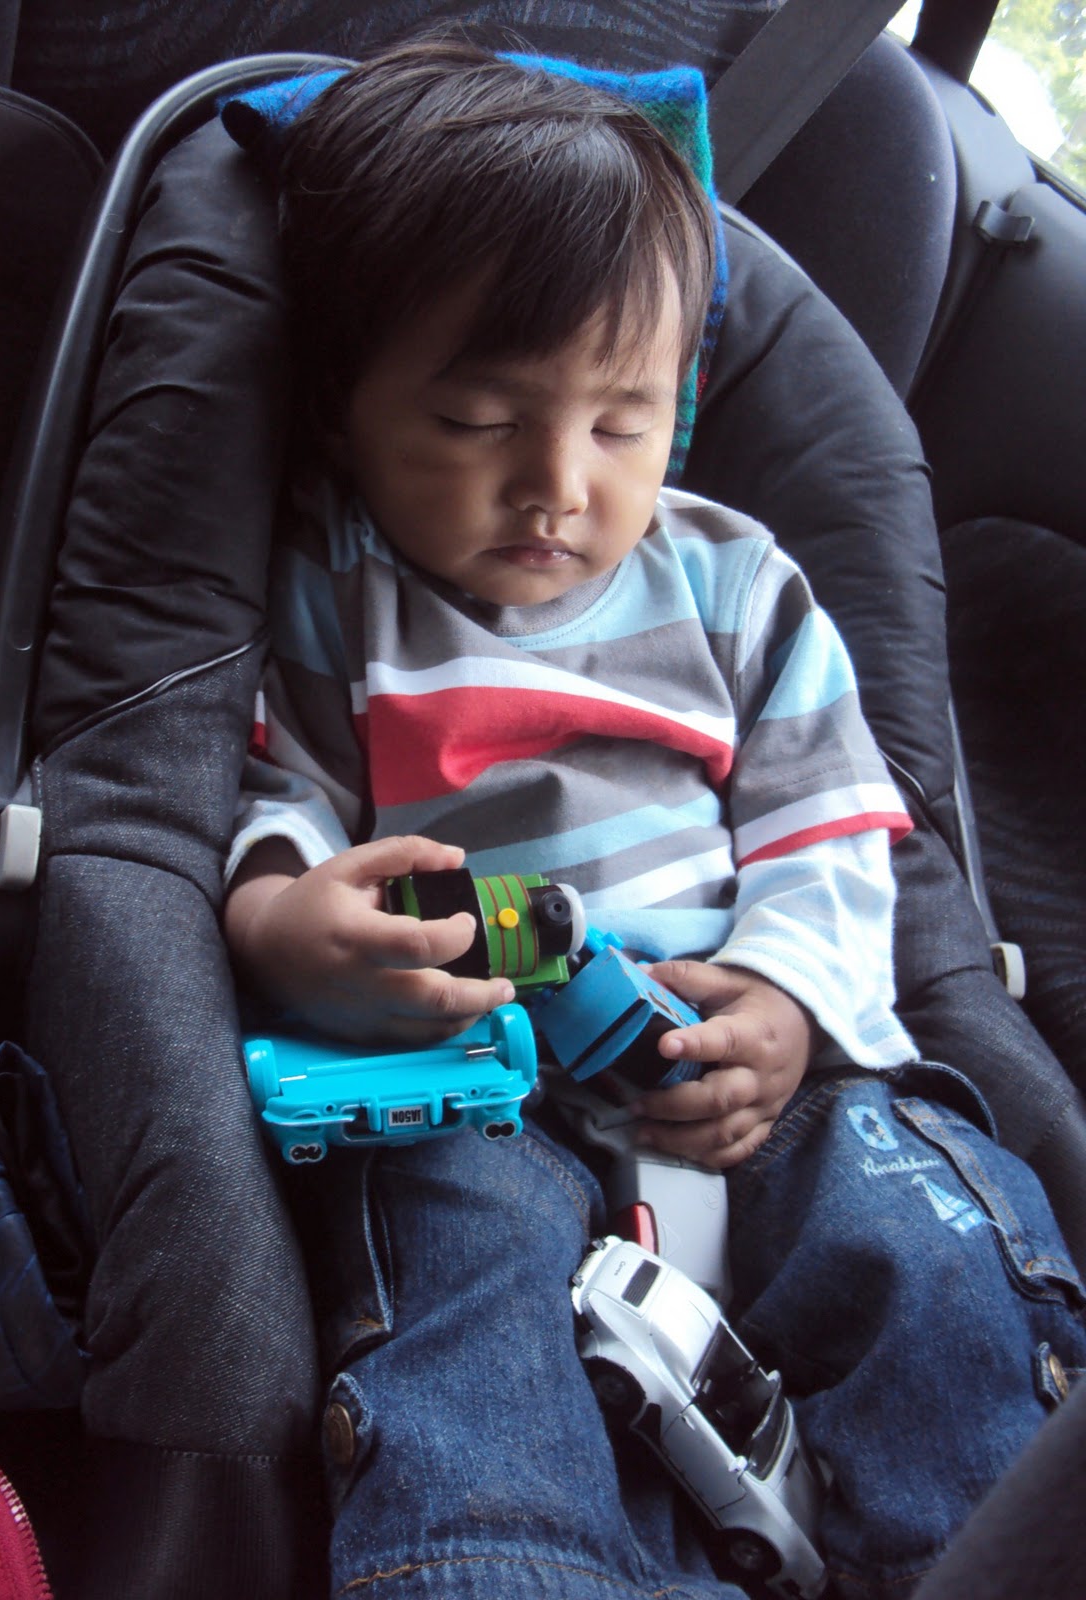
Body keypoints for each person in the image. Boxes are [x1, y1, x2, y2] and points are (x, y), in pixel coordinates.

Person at [223, 38, 1086, 1600]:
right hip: (472, 1084)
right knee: (455, 1312)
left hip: (749, 1069)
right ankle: (500, 1560)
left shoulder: (736, 584)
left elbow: (837, 834)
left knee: (928, 1246)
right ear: (343, 411)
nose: (556, 484)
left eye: (620, 423)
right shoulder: (335, 590)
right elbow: (281, 802)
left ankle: (980, 1539)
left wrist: (788, 1003)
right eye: (476, 422)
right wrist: (289, 926)